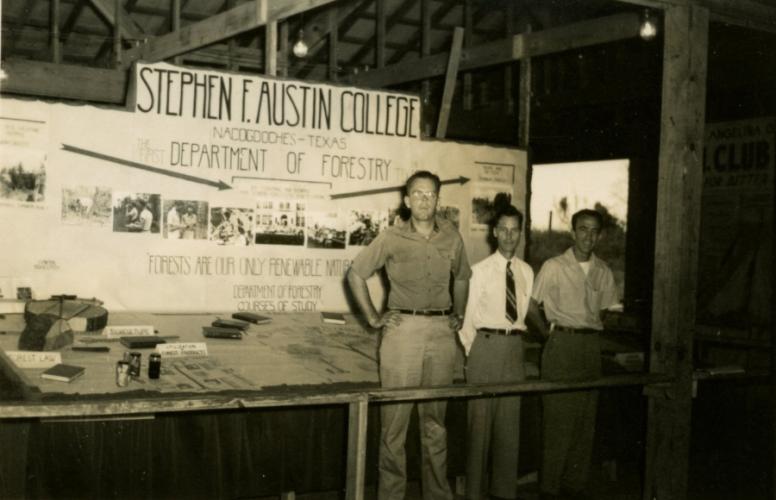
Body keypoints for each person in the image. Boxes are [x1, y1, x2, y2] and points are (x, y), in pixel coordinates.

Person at [347, 170, 471, 500]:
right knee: (394, 427)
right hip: (402, 334)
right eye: (418, 194)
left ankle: (437, 495)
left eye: (430, 194)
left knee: (435, 424)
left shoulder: (452, 237)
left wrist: (459, 313)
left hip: (441, 334)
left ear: (438, 200)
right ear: (406, 200)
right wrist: (373, 318)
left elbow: (462, 277)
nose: (424, 200)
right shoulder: (391, 237)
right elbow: (356, 274)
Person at [531, 209, 620, 500]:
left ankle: (574, 487)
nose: (588, 236)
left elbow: (604, 311)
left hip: (590, 347)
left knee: (585, 422)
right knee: (558, 421)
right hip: (561, 344)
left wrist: (587, 329)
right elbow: (531, 306)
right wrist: (549, 336)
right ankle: (549, 490)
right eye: (583, 229)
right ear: (573, 232)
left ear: (600, 236)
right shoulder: (554, 266)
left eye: (594, 231)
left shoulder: (604, 271)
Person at [458, 204, 533, 500]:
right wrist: (476, 355)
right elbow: (466, 323)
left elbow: (523, 315)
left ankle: (504, 493)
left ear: (520, 233)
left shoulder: (526, 271)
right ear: (494, 233)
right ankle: (474, 494)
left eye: (514, 230)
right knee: (479, 430)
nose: (509, 236)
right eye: (503, 229)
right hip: (484, 350)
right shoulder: (479, 272)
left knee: (509, 430)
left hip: (514, 351)